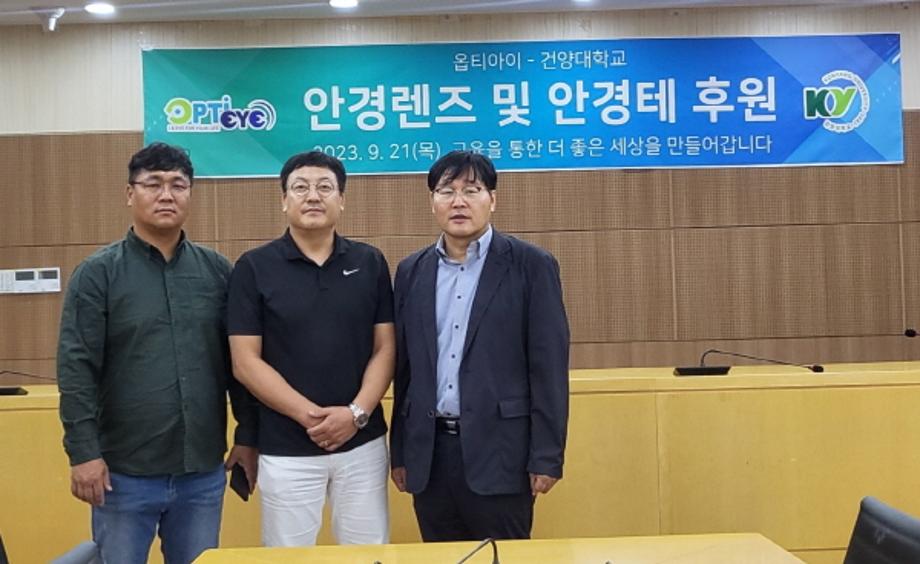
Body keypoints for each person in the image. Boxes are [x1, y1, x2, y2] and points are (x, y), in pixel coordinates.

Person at [57, 142, 258, 564]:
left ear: (190, 194)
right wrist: (84, 453)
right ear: (130, 194)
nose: (166, 194)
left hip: (201, 472)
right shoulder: (98, 274)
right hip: (122, 475)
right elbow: (77, 369)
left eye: (177, 185)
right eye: (153, 184)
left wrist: (246, 435)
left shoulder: (217, 272)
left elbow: (239, 363)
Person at [389, 150, 570, 541]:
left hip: (502, 455)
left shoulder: (530, 266)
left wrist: (546, 456)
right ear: (432, 201)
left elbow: (549, 367)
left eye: (471, 190)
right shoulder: (411, 271)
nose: (458, 202)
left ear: (492, 199)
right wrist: (400, 451)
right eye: (446, 191)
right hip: (430, 457)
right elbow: (405, 371)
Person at [227, 150, 394, 547]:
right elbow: (245, 362)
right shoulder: (254, 267)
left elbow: (386, 348)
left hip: (362, 443)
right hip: (286, 448)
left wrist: (355, 415)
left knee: (369, 553)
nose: (313, 196)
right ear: (284, 200)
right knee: (287, 556)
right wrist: (312, 418)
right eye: (300, 188)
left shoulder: (370, 262)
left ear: (342, 200)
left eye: (325, 187)